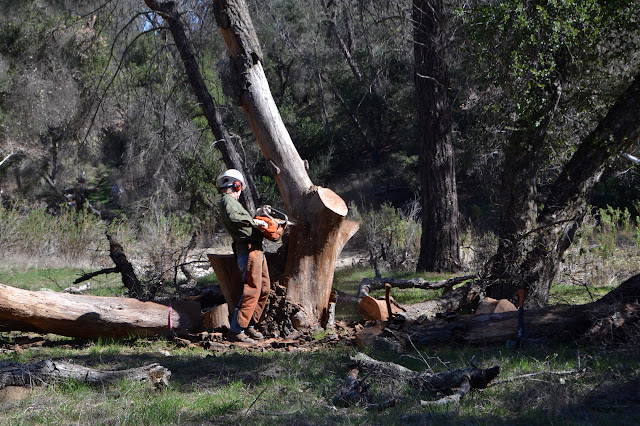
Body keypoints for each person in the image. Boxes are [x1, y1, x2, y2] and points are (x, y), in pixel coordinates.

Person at [217, 169, 270, 344]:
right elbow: (234, 217)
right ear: (237, 185)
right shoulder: (228, 200)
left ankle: (250, 324)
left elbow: (239, 218)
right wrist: (254, 221)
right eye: (240, 188)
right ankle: (236, 330)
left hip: (255, 250)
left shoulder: (232, 203)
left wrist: (256, 216)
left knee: (263, 288)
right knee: (252, 289)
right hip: (247, 251)